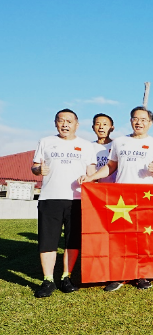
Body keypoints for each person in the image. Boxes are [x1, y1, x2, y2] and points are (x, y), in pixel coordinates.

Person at [79, 106, 153, 292]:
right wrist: (91, 177)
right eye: (136, 119)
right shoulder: (120, 142)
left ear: (150, 123)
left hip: (146, 196)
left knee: (143, 237)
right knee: (121, 237)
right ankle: (119, 275)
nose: (139, 122)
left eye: (143, 119)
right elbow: (111, 167)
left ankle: (141, 275)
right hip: (122, 198)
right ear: (130, 121)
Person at [32, 109, 98, 298]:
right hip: (49, 198)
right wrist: (38, 170)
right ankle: (47, 280)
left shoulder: (86, 146)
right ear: (55, 123)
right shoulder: (46, 142)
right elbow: (35, 166)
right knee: (48, 240)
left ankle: (66, 277)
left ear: (77, 124)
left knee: (72, 240)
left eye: (69, 121)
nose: (65, 124)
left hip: (76, 200)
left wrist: (89, 177)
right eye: (61, 121)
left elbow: (91, 172)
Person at [91, 113, 116, 183]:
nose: (101, 127)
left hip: (113, 188)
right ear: (93, 127)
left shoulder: (117, 145)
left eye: (105, 124)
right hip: (94, 188)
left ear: (112, 128)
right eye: (98, 124)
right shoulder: (88, 146)